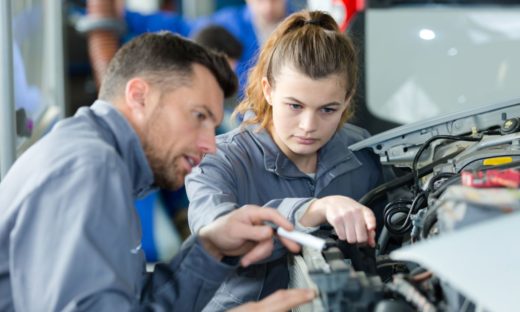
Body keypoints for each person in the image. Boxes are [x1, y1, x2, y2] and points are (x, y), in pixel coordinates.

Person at [0, 32, 315, 311]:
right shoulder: (87, 168)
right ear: (139, 96)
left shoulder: (102, 164)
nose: (211, 144)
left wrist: (210, 248)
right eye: (198, 115)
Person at [186, 10, 384, 311]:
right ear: (268, 90)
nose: (308, 125)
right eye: (295, 105)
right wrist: (311, 210)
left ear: (347, 99)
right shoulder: (218, 160)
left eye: (328, 110)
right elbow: (215, 234)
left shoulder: (364, 154)